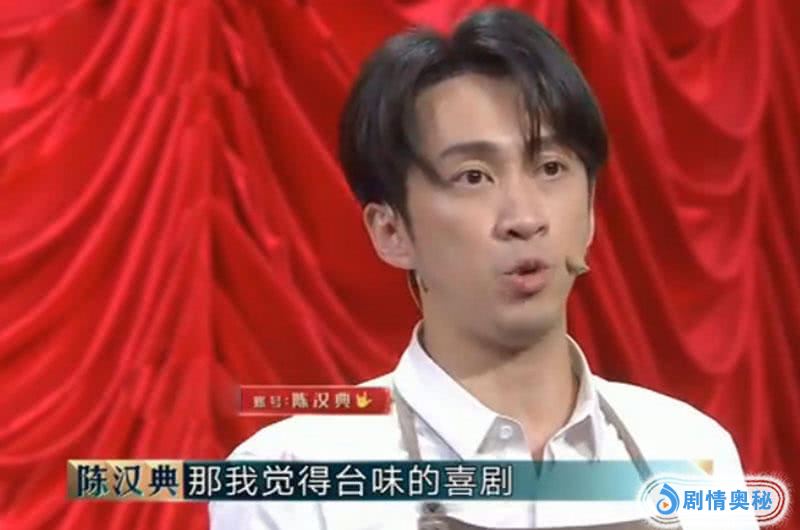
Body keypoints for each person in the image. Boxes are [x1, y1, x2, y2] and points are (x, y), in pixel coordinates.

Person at [210, 7, 756, 529]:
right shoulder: (296, 481)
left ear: (590, 210)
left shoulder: (689, 453)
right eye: (473, 176)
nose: (524, 218)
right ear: (391, 231)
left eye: (550, 168)